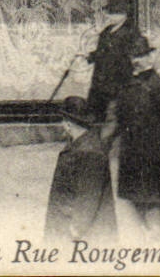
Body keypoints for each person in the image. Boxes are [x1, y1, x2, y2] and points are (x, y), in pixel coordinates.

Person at [114, 33, 160, 236]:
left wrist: (158, 141)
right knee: (134, 200)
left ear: (149, 58)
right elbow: (121, 116)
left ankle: (154, 240)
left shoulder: (158, 86)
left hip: (153, 153)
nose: (136, 61)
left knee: (152, 201)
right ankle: (142, 240)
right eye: (133, 56)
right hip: (131, 151)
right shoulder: (126, 85)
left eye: (140, 56)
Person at [45, 95, 118, 250]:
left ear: (68, 123)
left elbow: (89, 196)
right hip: (70, 227)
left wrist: (76, 230)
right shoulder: (81, 145)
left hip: (86, 237)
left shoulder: (89, 151)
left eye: (63, 120)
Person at [86, 0, 138, 124]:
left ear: (123, 15)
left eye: (113, 13)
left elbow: (126, 55)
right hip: (101, 76)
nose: (109, 16)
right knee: (98, 110)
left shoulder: (130, 32)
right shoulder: (107, 31)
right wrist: (90, 56)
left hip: (118, 78)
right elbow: (102, 50)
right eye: (109, 13)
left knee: (116, 112)